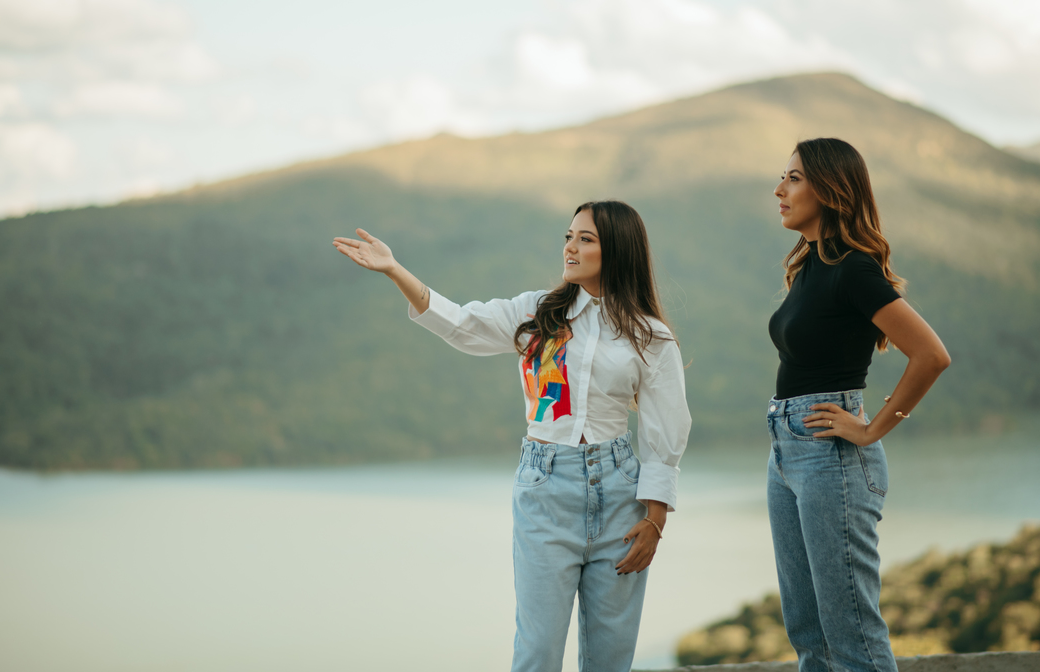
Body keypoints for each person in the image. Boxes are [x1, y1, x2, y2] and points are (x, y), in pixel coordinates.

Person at [332, 200, 691, 672]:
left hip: (620, 494)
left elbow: (667, 426)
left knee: (610, 655)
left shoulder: (650, 335)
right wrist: (395, 270)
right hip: (545, 489)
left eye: (585, 239)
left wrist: (656, 518)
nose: (570, 247)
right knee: (537, 652)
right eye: (568, 236)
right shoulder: (538, 312)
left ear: (618, 251)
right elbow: (461, 325)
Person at [767, 138, 951, 672]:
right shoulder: (809, 265)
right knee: (809, 634)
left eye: (794, 178)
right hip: (786, 450)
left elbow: (931, 355)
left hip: (833, 458)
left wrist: (871, 430)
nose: (779, 190)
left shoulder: (854, 269)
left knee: (852, 637)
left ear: (830, 189)